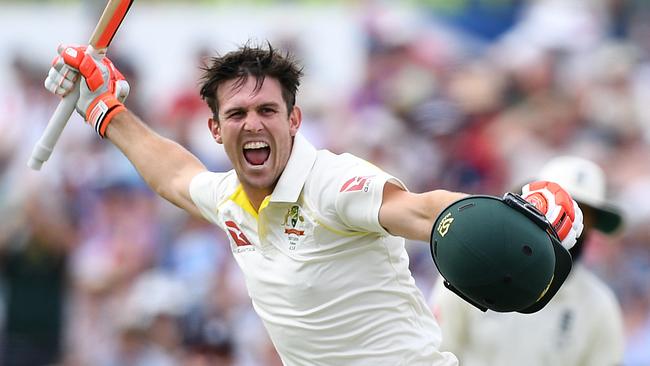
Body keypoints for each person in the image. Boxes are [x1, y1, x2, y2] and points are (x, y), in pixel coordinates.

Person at [43, 42, 582, 365]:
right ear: (215, 129)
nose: (253, 123)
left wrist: (510, 212)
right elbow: (176, 178)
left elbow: (421, 210)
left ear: (294, 120)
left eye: (267, 110)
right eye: (237, 114)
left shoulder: (331, 182)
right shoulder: (230, 198)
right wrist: (105, 109)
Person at [429, 155, 625, 366]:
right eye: (560, 209)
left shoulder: (599, 305)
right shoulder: (473, 266)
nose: (567, 223)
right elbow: (437, 350)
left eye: (582, 215)